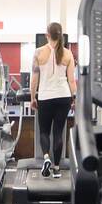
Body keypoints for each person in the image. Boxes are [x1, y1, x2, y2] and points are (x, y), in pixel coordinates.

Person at [30, 22, 76, 177]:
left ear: (47, 35)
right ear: (61, 35)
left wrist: (32, 98)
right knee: (58, 132)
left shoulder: (38, 53)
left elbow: (34, 80)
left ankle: (46, 158)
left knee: (44, 131)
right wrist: (74, 98)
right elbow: (72, 81)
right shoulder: (68, 54)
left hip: (45, 97)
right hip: (64, 97)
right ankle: (56, 169)